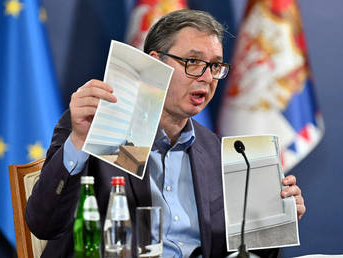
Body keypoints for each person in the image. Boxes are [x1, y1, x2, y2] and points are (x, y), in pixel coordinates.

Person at [26, 9, 305, 258]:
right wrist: (77, 142)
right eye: (193, 62)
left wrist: (275, 217)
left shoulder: (220, 152)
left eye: (215, 66)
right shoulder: (97, 126)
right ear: (155, 63)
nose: (207, 78)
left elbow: (238, 253)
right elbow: (44, 224)